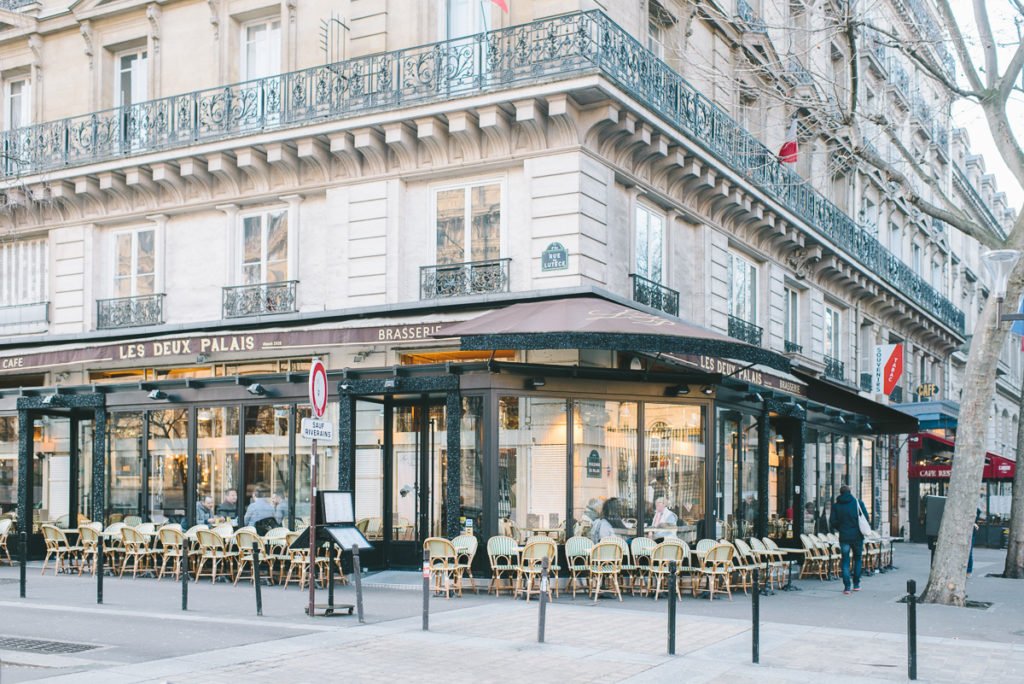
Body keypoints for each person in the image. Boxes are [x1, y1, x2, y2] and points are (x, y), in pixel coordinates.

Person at [829, 485, 869, 595]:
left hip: (844, 537)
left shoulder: (836, 506)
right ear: (850, 492)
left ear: (840, 493)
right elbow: (865, 518)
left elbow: (832, 521)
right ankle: (856, 584)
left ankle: (847, 587)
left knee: (845, 560)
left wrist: (841, 528)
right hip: (857, 536)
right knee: (858, 559)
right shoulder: (858, 503)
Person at [967, 507, 982, 578]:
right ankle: (968, 571)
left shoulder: (976, 510)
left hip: (971, 532)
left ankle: (968, 571)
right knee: (969, 552)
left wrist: (974, 523)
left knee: (969, 552)